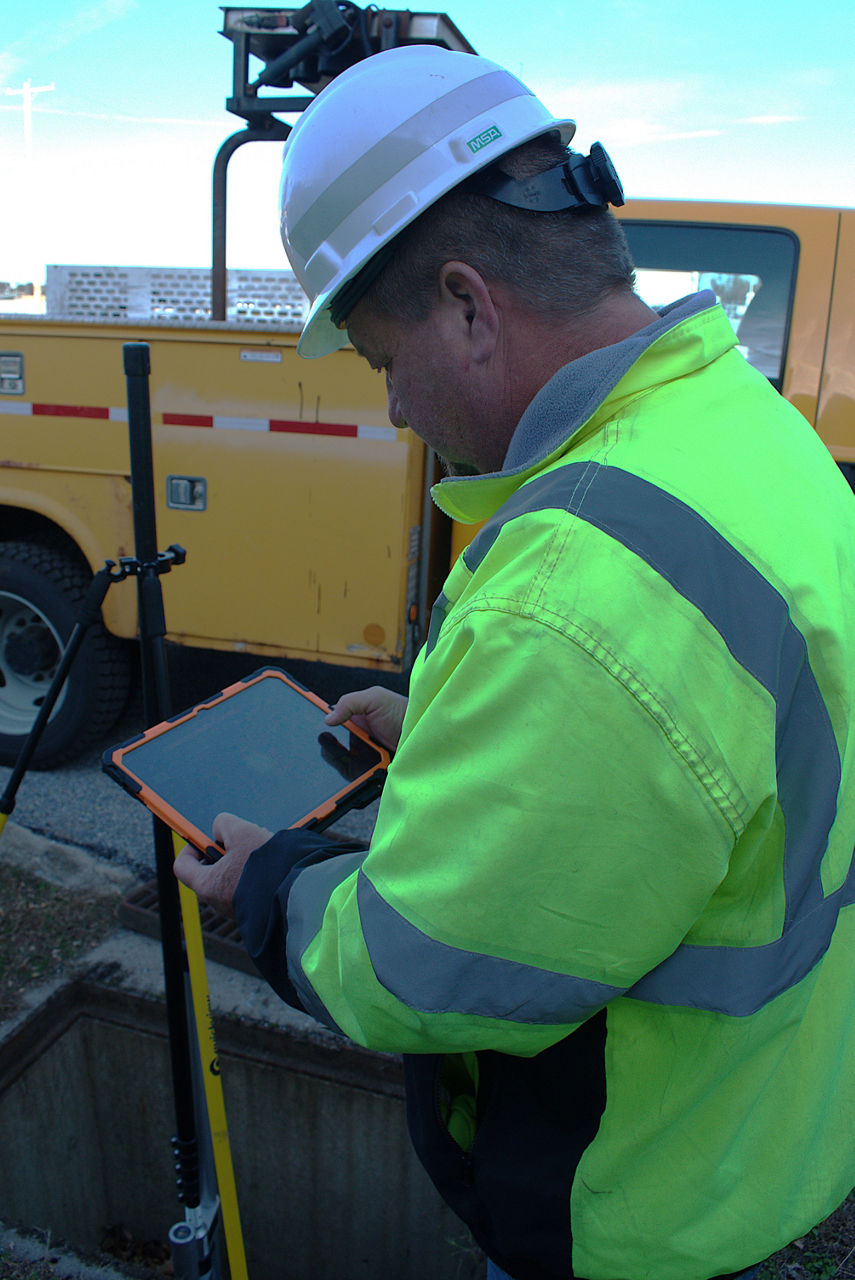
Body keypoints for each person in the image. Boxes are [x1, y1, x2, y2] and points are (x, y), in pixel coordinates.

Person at [175, 44, 855, 1280]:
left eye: (384, 363)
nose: (392, 410)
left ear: (469, 304)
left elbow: (421, 965)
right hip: (751, 1133)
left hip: (632, 1204)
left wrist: (271, 887)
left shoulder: (581, 589)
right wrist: (440, 722)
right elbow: (683, 756)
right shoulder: (741, 428)